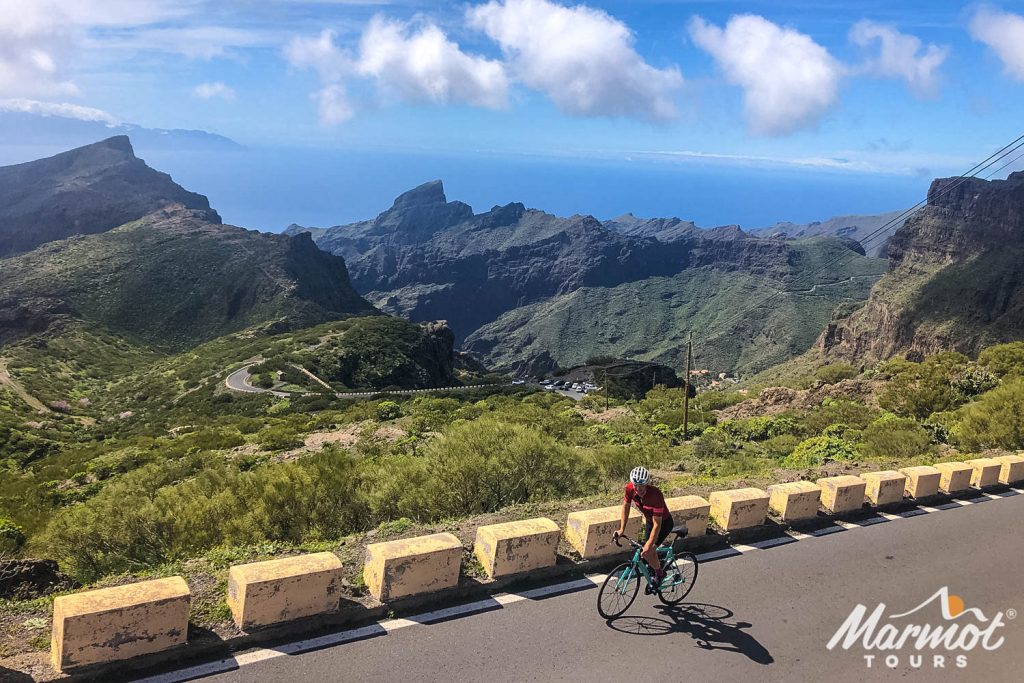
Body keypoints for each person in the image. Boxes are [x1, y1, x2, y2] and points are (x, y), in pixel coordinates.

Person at [614, 466, 675, 588]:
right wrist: (622, 529)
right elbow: (626, 507)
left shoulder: (656, 495)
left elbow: (657, 524)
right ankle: (656, 567)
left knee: (647, 551)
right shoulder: (629, 488)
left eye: (642, 486)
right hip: (649, 521)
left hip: (663, 523)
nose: (638, 489)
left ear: (647, 483)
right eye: (636, 485)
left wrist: (649, 545)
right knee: (647, 551)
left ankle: (660, 573)